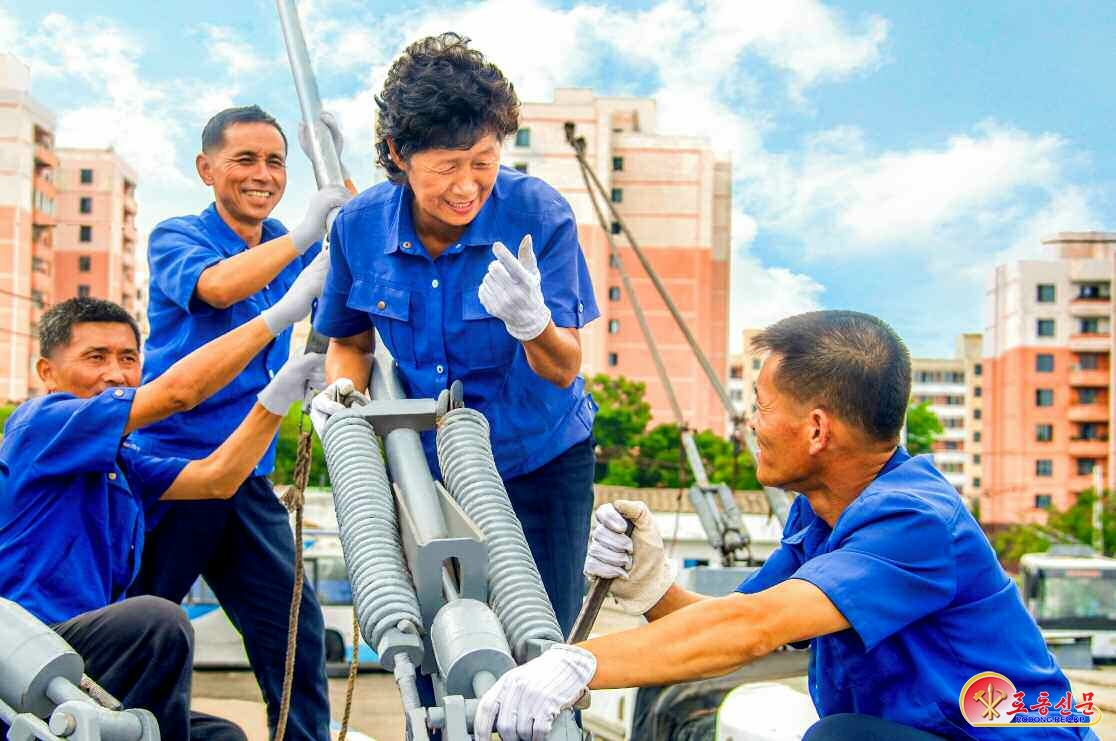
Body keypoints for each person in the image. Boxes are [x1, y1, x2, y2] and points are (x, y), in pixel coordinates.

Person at [474, 310, 1099, 741]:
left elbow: (751, 630)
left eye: (761, 408)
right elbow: (740, 624)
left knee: (839, 738)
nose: (751, 424)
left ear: (817, 429)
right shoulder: (825, 509)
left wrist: (576, 666)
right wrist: (651, 582)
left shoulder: (914, 522)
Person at [309, 33, 599, 637]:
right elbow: (351, 342)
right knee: (438, 638)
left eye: (483, 163)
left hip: (536, 461)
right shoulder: (359, 228)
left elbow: (563, 367)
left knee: (544, 643)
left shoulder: (539, 215)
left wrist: (533, 324)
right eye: (447, 167)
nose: (467, 187)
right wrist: (343, 396)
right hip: (428, 467)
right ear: (399, 153)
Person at [0, 272, 325, 739]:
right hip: (23, 654)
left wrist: (275, 399)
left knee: (222, 736)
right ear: (47, 373)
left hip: (83, 666)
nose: (115, 373)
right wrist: (278, 317)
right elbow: (177, 393)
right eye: (95, 357)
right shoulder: (40, 425)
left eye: (128, 358)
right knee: (156, 620)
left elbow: (217, 478)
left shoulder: (124, 465)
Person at [127, 105, 350, 740]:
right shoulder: (178, 236)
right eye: (244, 159)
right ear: (207, 169)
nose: (262, 174)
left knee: (294, 629)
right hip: (173, 469)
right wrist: (302, 237)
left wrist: (335, 166)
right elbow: (218, 288)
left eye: (275, 162)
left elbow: (356, 236)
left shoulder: (280, 238)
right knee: (141, 626)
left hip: (245, 472)